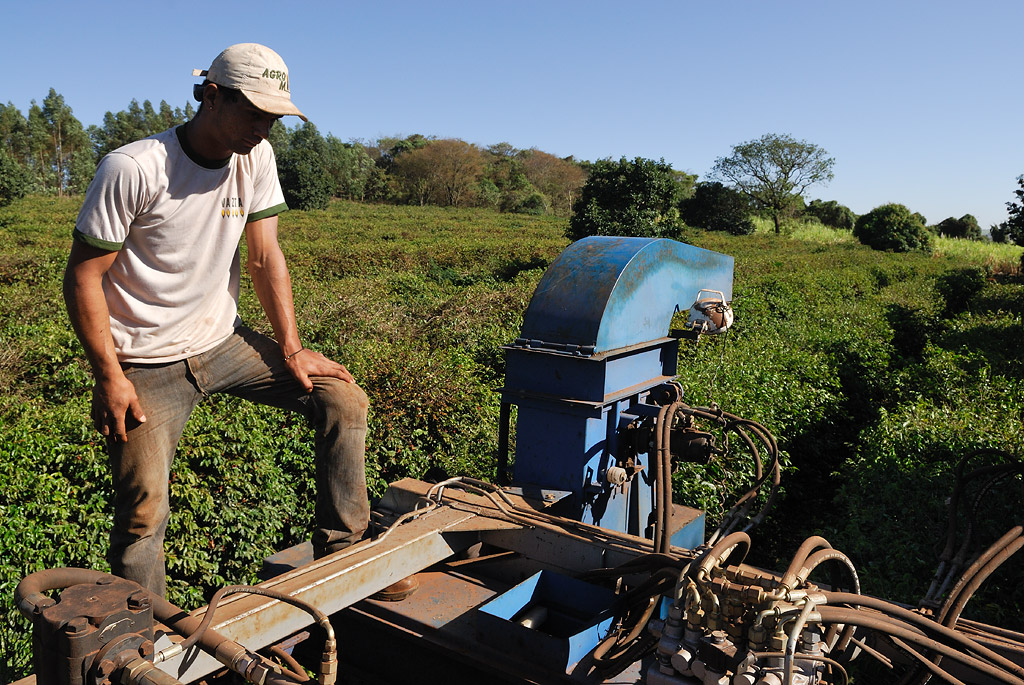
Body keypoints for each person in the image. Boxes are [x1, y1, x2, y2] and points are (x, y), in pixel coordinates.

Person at [62, 43, 409, 599]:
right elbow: (83, 277)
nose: (263, 129)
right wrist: (108, 375)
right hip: (145, 361)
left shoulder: (256, 157)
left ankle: (344, 551)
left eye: (272, 118)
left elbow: (265, 256)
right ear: (212, 95)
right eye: (254, 114)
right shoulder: (133, 168)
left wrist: (292, 349)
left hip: (222, 342)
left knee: (342, 398)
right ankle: (145, 636)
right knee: (143, 511)